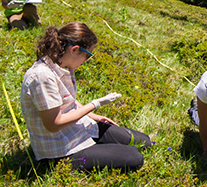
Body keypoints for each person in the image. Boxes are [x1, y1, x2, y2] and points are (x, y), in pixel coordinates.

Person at [20, 22, 152, 172]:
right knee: (134, 157)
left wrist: (93, 116)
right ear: (74, 50)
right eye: (87, 55)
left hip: (78, 128)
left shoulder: (61, 65)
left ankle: (101, 147)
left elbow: (66, 99)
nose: (86, 60)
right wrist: (95, 104)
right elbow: (54, 124)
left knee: (144, 141)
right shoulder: (42, 76)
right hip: (62, 149)